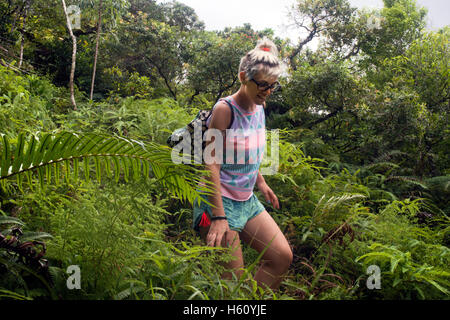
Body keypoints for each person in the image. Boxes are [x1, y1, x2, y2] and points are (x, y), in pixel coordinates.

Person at [192, 37, 293, 290]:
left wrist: (260, 181)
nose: (267, 91)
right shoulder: (225, 110)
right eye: (261, 85)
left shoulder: (259, 106)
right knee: (231, 285)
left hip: (245, 200)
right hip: (216, 201)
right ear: (242, 77)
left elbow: (248, 151)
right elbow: (212, 163)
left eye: (272, 86)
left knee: (281, 257)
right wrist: (217, 216)